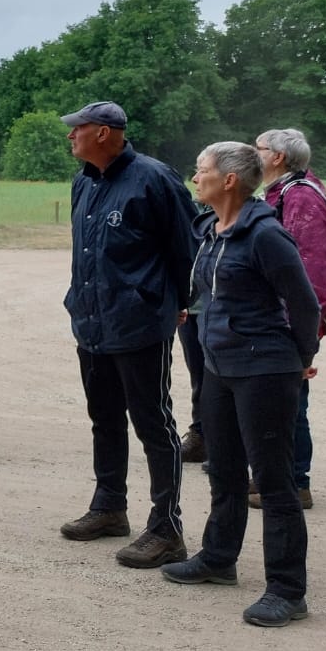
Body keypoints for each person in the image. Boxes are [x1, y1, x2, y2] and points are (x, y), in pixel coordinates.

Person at [162, 143, 318, 628]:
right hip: (219, 368)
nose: (196, 176)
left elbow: (305, 305)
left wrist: (298, 360)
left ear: (229, 180)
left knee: (274, 482)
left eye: (202, 170)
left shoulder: (266, 236)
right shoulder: (210, 230)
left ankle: (288, 591)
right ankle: (218, 558)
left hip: (265, 370)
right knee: (223, 470)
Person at [59, 101, 196, 568]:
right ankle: (109, 506)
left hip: (140, 324)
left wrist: (178, 303)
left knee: (154, 424)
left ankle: (167, 528)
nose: (69, 138)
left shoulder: (155, 179)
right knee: (105, 420)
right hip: (93, 323)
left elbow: (186, 249)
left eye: (75, 130)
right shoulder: (83, 182)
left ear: (102, 133)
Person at [252, 128, 326, 511]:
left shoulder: (301, 198)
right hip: (279, 321)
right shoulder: (285, 192)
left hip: (287, 324)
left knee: (290, 402)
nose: (252, 153)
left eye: (259, 148)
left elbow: (312, 271)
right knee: (276, 401)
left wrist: (300, 334)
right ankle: (277, 477)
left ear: (278, 158)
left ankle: (294, 482)